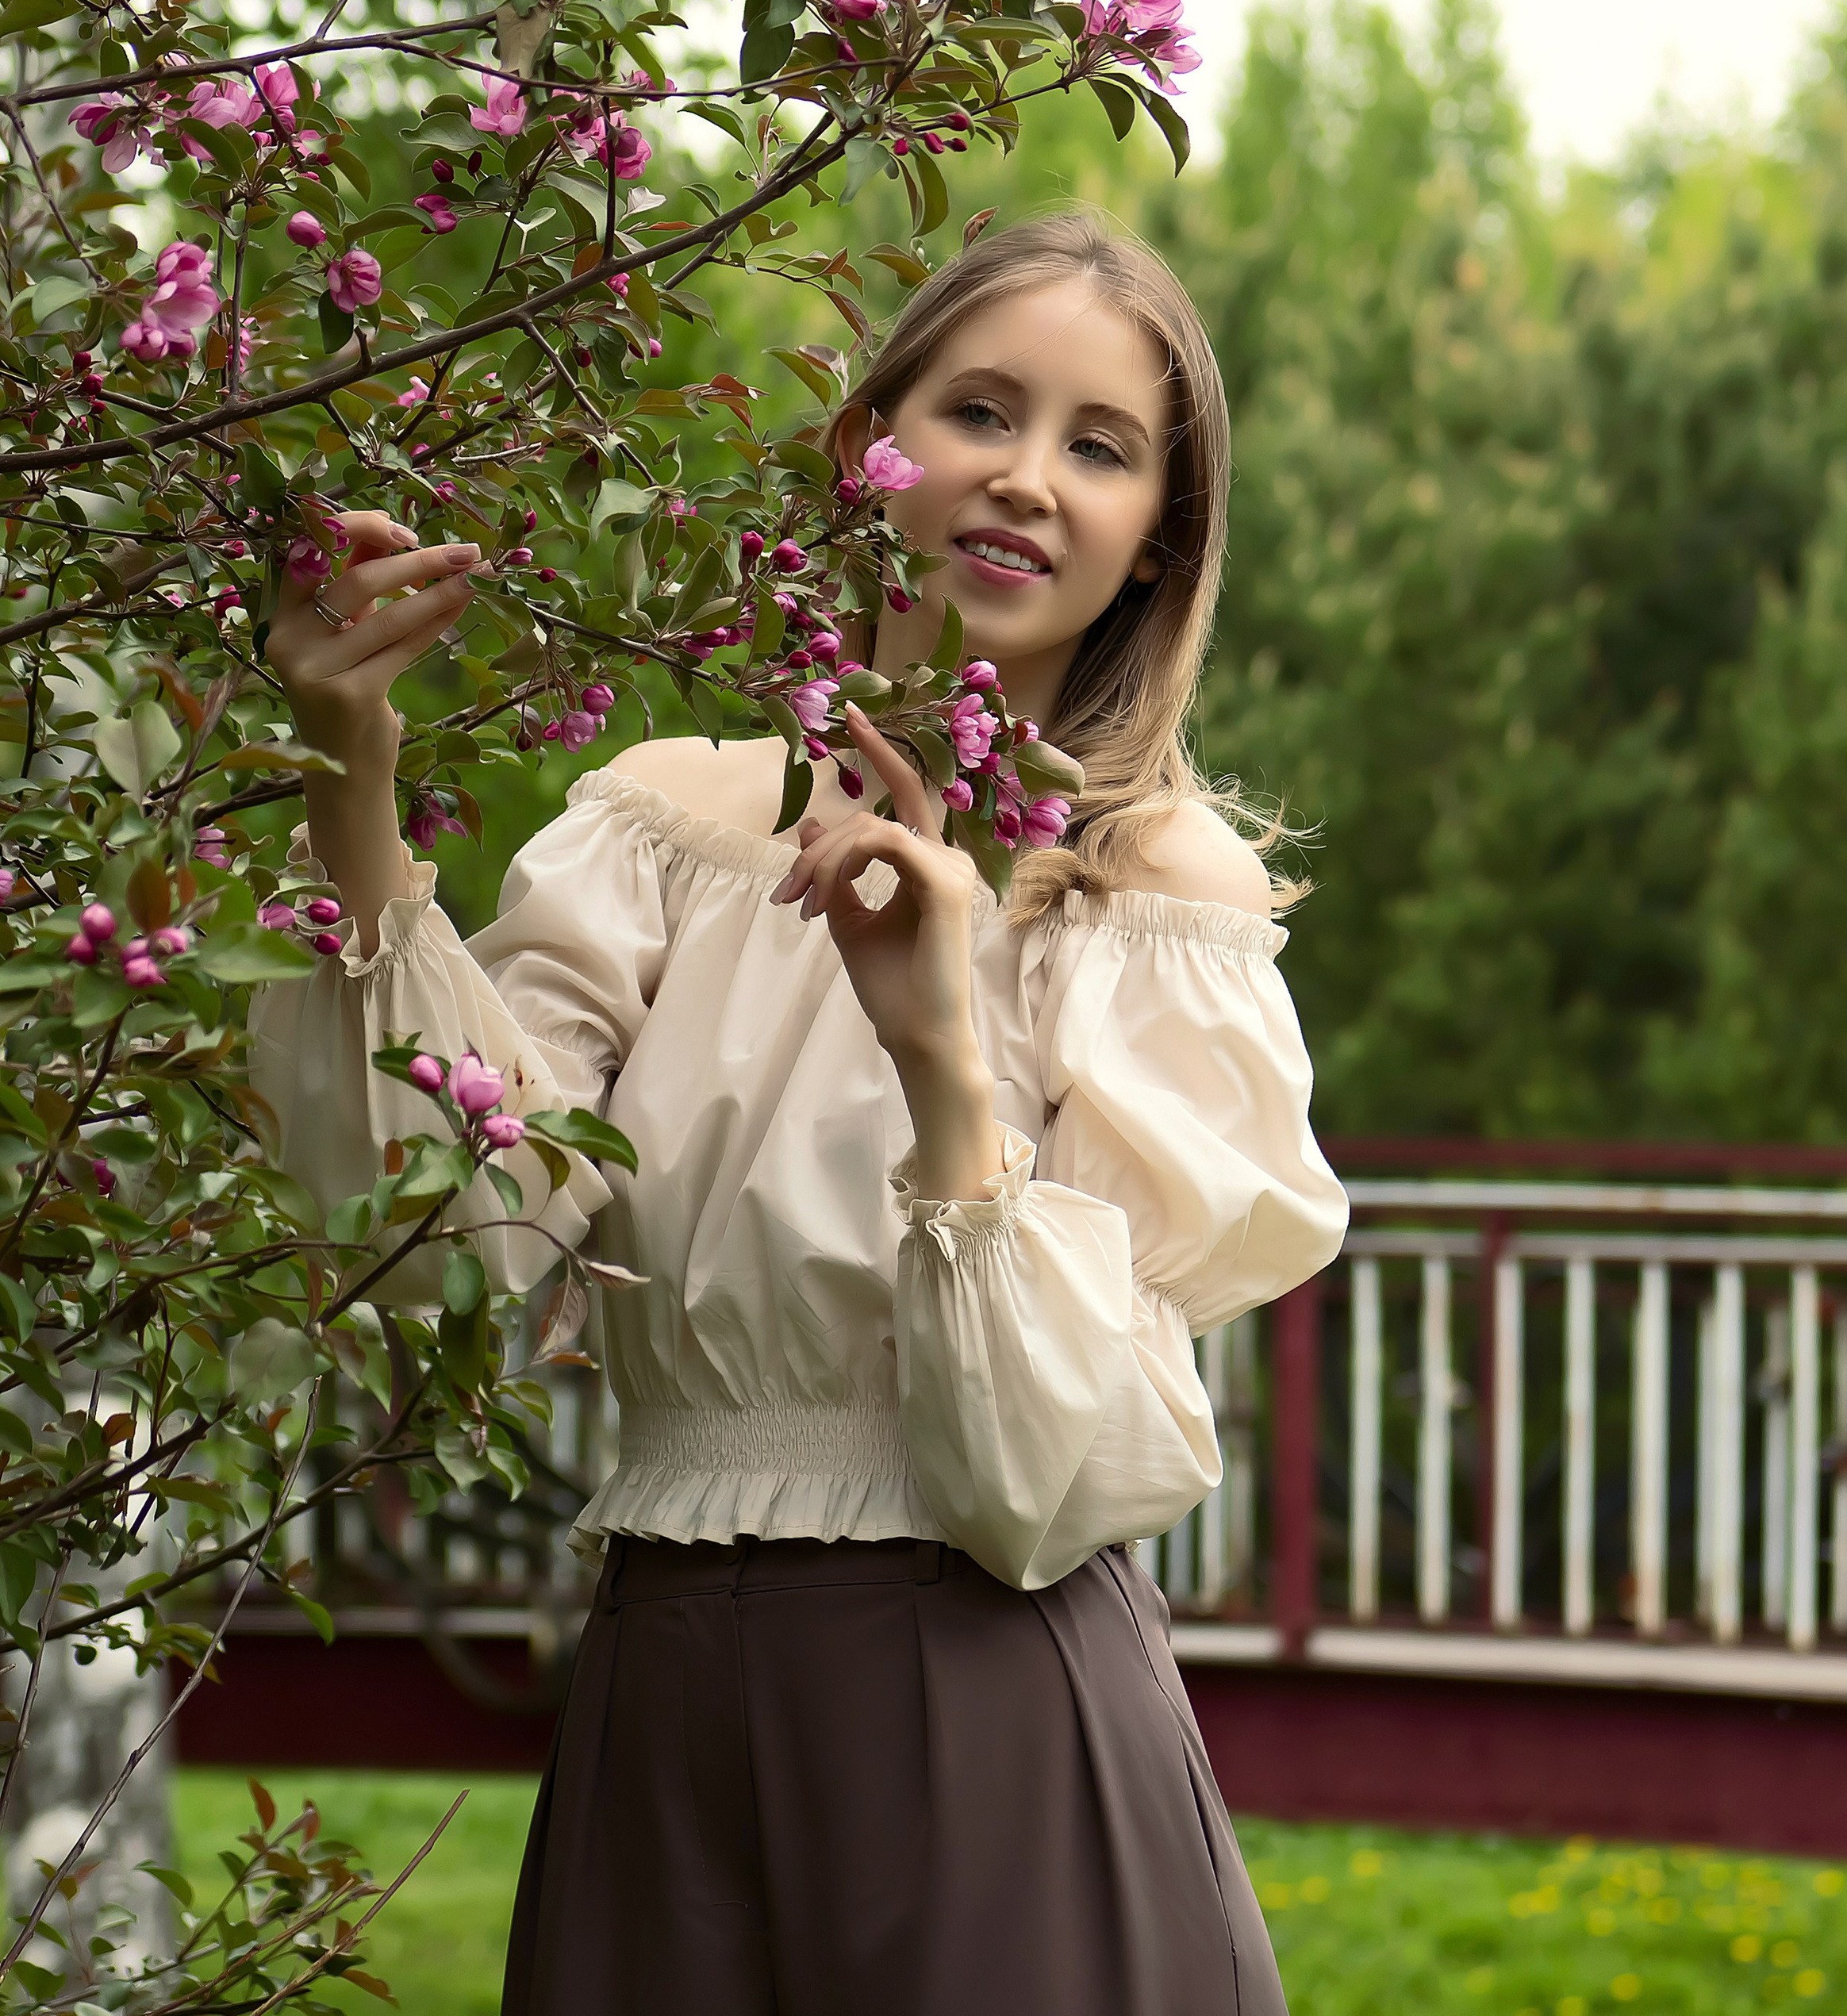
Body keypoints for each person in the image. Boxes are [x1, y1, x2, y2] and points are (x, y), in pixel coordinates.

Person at [255, 209, 1350, 2016]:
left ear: (1158, 537)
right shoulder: (671, 819)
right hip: (663, 1708)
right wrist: (350, 788)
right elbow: (445, 1232)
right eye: (979, 411)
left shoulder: (1155, 897)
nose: (1023, 477)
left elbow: (1053, 1476)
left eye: (1098, 446)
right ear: (870, 450)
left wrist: (940, 1052)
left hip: (993, 1706)